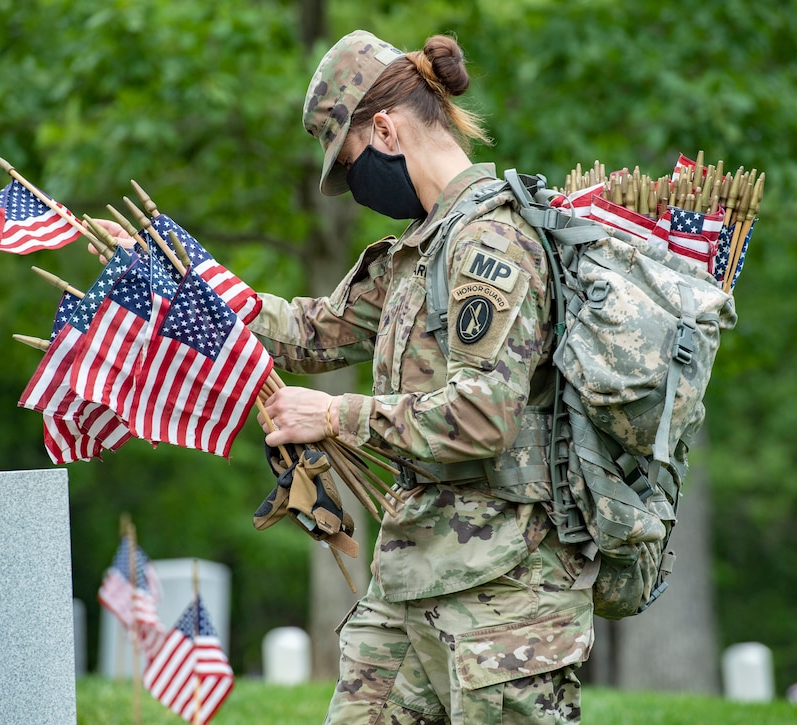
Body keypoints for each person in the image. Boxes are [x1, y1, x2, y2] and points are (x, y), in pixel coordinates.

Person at [252, 30, 595, 724]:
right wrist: (189, 291)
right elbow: (313, 331)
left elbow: (483, 416)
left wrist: (336, 416)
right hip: (410, 577)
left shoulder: (489, 242)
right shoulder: (420, 248)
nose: (354, 190)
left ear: (385, 128)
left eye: (350, 169)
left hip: (500, 598)